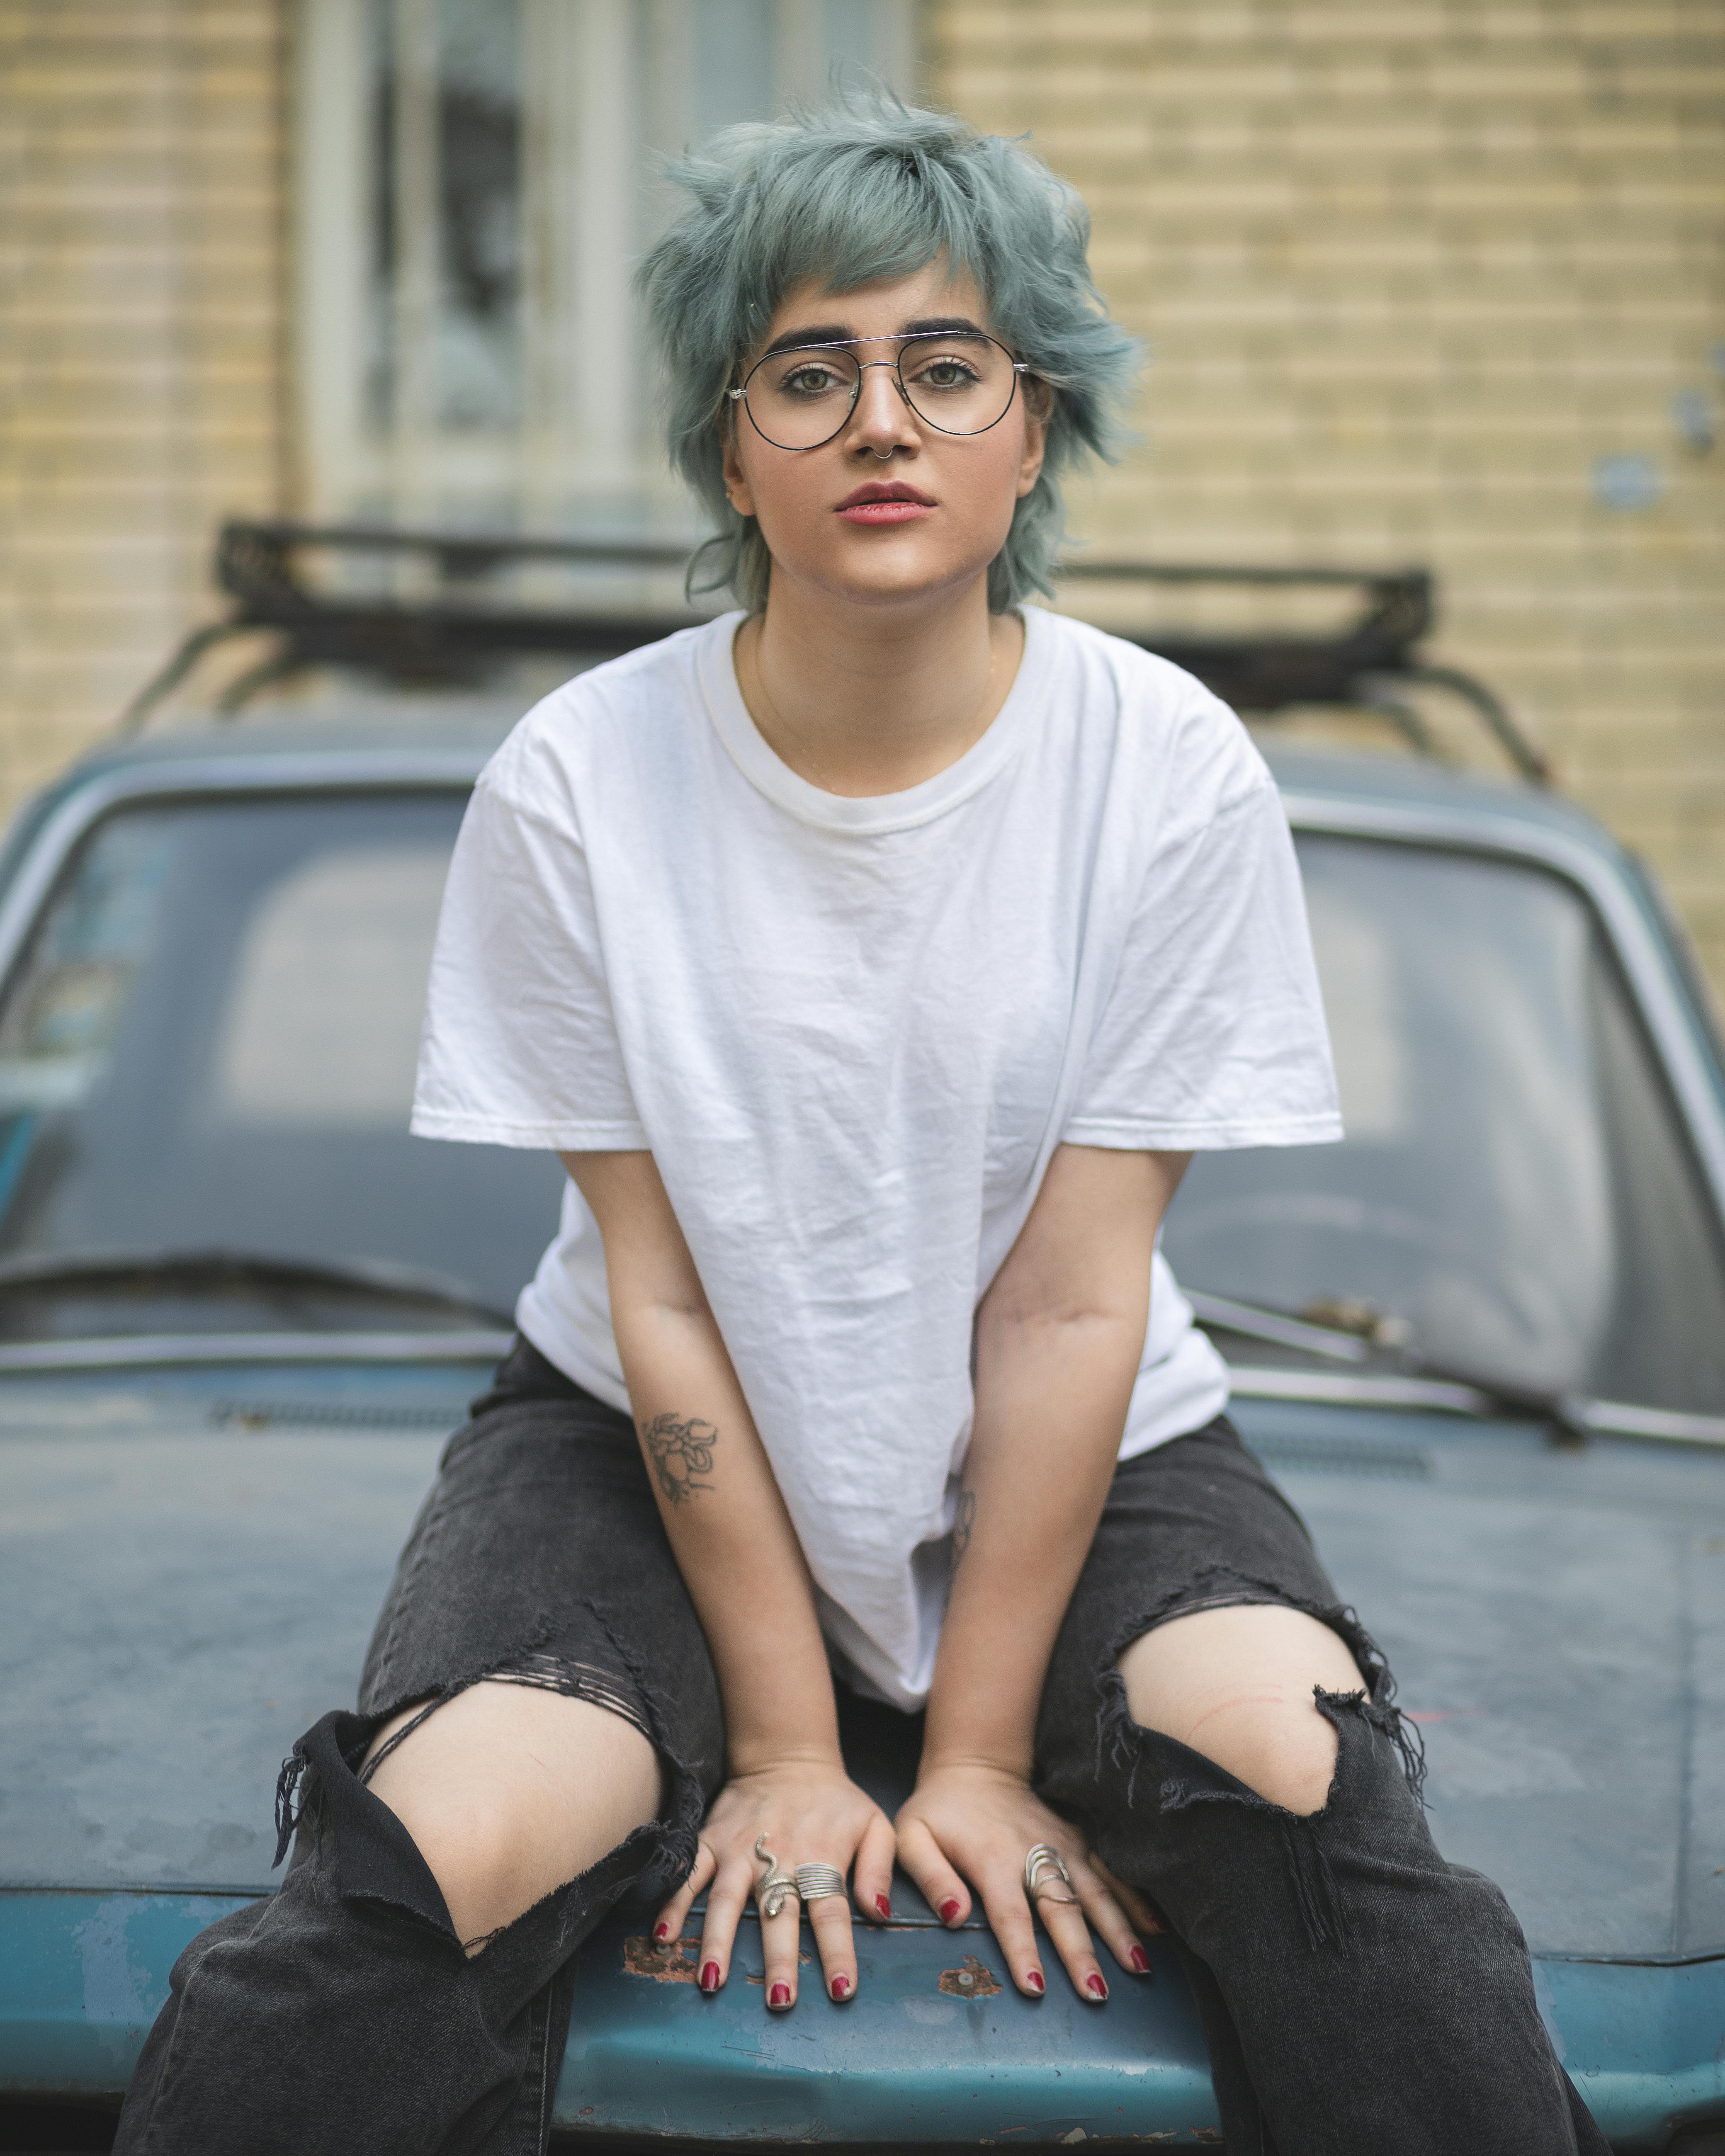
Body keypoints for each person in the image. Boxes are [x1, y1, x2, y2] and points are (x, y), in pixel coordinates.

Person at [116, 93, 1609, 2156]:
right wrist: (792, 1744)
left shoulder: (1162, 773)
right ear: (731, 446)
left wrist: (975, 1754)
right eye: (806, 371)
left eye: (944, 365)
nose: (877, 422)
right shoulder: (579, 779)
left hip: (1097, 1434)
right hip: (622, 1439)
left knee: (1302, 1783)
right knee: (439, 1846)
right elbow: (659, 1294)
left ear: (1033, 424)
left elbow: (1075, 1309)